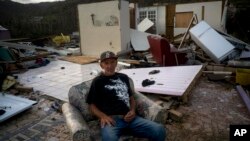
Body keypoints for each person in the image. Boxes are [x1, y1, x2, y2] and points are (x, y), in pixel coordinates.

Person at [86, 51, 166, 141]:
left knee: (159, 129)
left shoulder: (123, 77)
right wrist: (103, 116)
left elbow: (131, 98)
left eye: (112, 62)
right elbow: (91, 105)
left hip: (131, 119)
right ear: (101, 65)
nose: (110, 66)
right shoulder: (97, 81)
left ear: (116, 63)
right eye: (106, 63)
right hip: (111, 121)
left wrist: (132, 111)